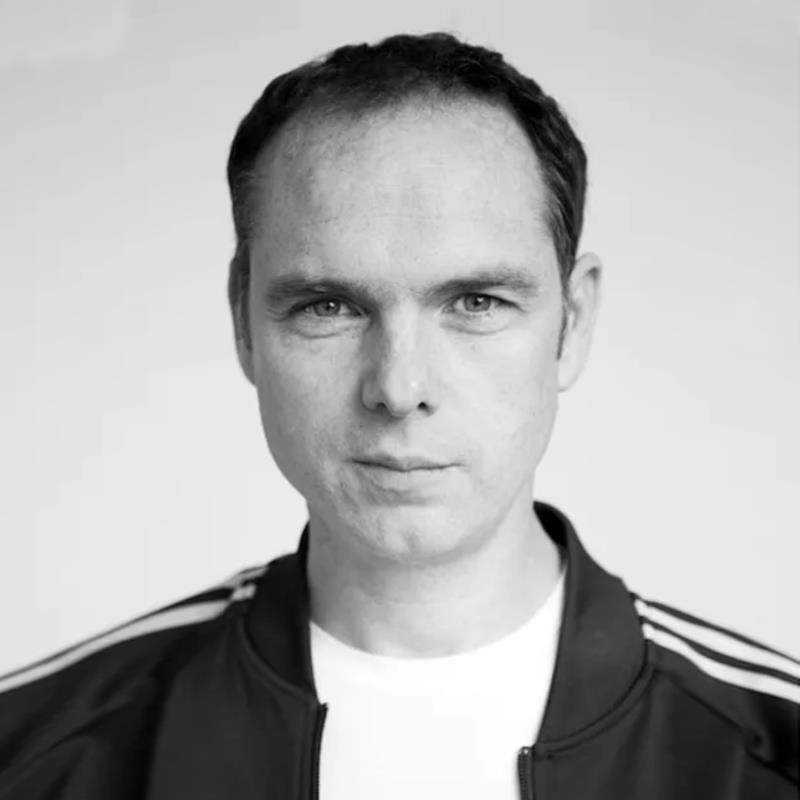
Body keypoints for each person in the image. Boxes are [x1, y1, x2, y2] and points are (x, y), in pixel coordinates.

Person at [0, 31, 797, 800]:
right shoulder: (34, 755)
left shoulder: (773, 752)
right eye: (329, 306)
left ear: (574, 322)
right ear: (243, 321)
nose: (399, 386)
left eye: (476, 302)